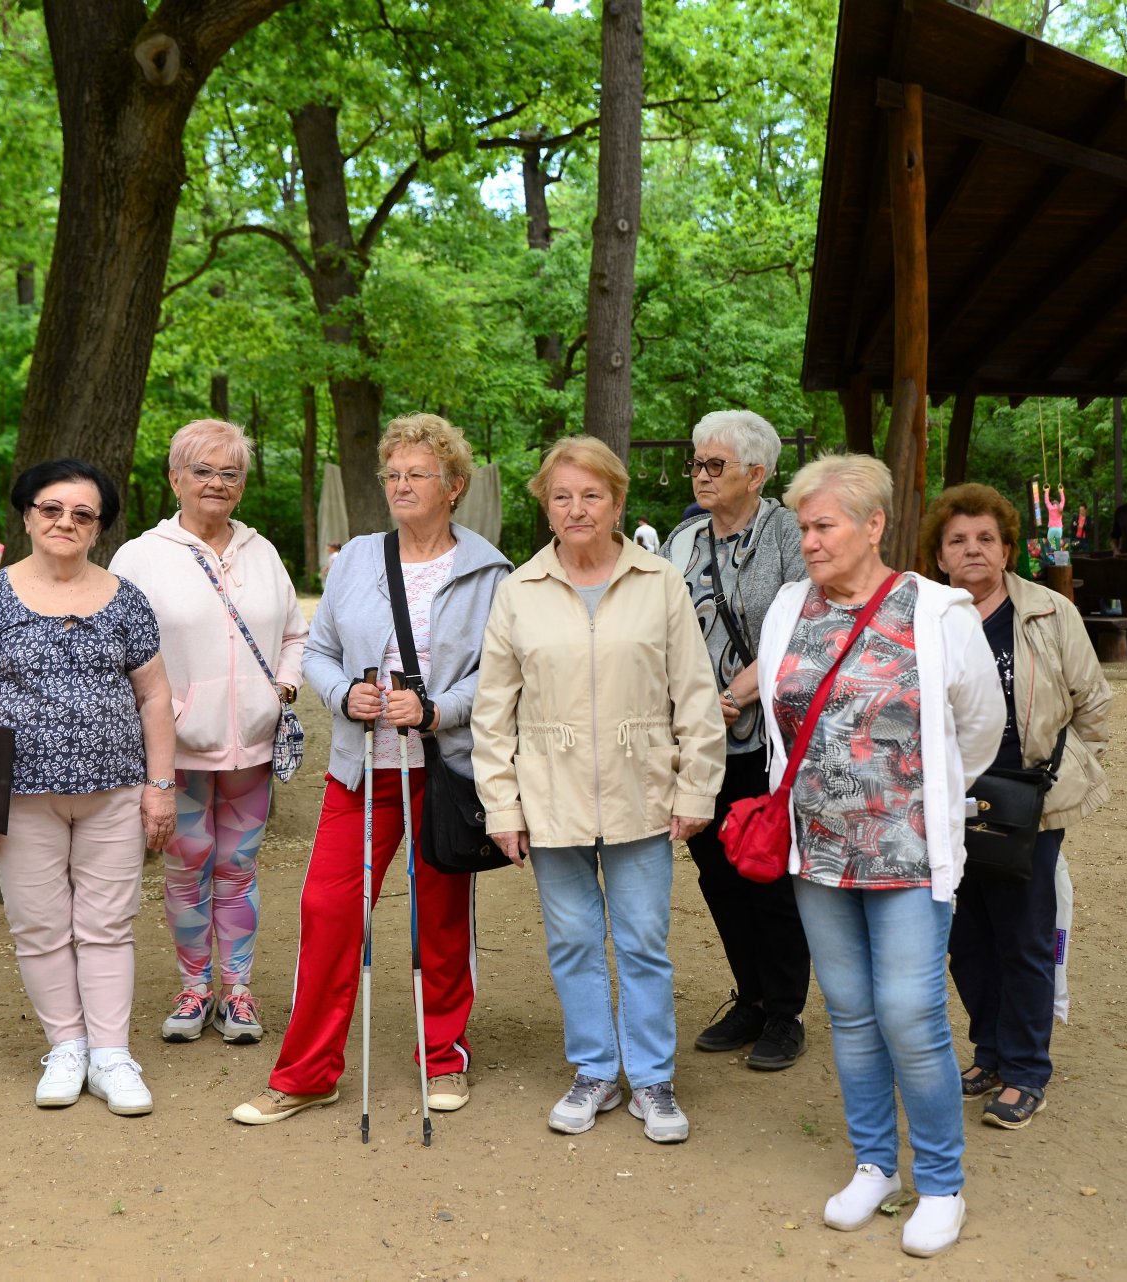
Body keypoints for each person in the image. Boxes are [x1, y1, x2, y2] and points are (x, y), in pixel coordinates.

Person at [754, 454, 1004, 1259]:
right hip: (817, 851)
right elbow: (777, 713)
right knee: (852, 1012)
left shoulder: (937, 612)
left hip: (908, 851)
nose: (809, 542)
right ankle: (874, 1165)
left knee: (910, 1013)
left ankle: (939, 1181)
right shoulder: (790, 606)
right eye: (803, 527)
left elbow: (979, 726)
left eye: (823, 526)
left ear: (873, 526)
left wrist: (914, 795)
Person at [232, 413, 509, 1126]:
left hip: (441, 769)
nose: (401, 485)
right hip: (362, 771)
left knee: (439, 918)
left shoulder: (489, 572)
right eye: (392, 474)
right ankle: (306, 1073)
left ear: (453, 487)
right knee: (327, 911)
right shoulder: (355, 557)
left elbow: (503, 675)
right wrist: (339, 693)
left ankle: (444, 1057)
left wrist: (437, 709)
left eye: (417, 474)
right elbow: (318, 649)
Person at [472, 435, 724, 1144]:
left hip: (641, 791)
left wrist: (696, 788)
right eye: (562, 496)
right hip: (548, 799)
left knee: (644, 940)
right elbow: (494, 712)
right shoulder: (518, 590)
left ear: (617, 501)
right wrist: (502, 805)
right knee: (575, 940)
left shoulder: (659, 582)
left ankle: (652, 1079)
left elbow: (696, 696)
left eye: (592, 495)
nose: (577, 509)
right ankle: (594, 1071)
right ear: (545, 507)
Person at [0, 459, 177, 1116]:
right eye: (51, 509)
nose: (64, 522)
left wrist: (161, 786)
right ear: (27, 515)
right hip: (18, 790)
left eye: (82, 513)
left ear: (98, 527)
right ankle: (66, 1047)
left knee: (107, 924)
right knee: (40, 924)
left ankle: (110, 1055)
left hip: (116, 791)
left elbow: (155, 697)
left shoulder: (127, 598)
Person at [110, 419, 308, 1048]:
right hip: (178, 747)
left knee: (239, 866)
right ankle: (195, 986)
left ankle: (239, 991)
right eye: (204, 471)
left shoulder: (262, 552)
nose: (218, 483)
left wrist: (281, 689)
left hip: (250, 742)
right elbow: (116, 649)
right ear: (175, 478)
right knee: (185, 866)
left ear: (243, 485)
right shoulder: (141, 556)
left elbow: (297, 635)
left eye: (231, 473)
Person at [923, 483, 1110, 1130]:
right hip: (948, 802)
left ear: (1007, 549)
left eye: (985, 539)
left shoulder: (1049, 614)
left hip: (1029, 800)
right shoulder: (925, 619)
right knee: (966, 938)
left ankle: (1027, 1070)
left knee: (1024, 939)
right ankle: (991, 1052)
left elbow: (1094, 706)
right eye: (958, 541)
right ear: (940, 556)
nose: (972, 550)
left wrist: (1057, 778)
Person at [659, 410, 811, 1070]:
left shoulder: (787, 534)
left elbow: (805, 624)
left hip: (766, 737)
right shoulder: (684, 539)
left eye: (714, 464)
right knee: (717, 873)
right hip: (700, 739)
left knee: (767, 870)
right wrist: (688, 706)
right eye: (697, 462)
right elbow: (661, 628)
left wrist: (733, 696)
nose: (700, 474)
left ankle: (785, 1011)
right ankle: (749, 996)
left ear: (758, 472)